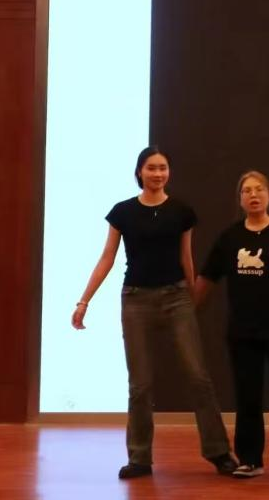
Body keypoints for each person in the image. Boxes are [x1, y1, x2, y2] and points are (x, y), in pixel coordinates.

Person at [71, 146, 235, 479]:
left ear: (168, 172)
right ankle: (139, 458)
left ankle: (219, 452)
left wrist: (191, 299)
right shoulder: (122, 212)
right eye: (151, 168)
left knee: (198, 377)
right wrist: (84, 300)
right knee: (141, 384)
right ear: (139, 172)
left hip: (176, 296)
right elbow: (107, 257)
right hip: (136, 299)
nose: (157, 173)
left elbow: (186, 257)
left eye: (162, 168)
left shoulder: (181, 212)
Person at [195, 170, 269, 480]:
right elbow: (207, 278)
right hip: (242, 331)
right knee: (247, 396)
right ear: (240, 199)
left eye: (259, 189)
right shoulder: (230, 237)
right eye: (247, 190)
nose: (253, 195)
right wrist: (187, 312)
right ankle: (250, 460)